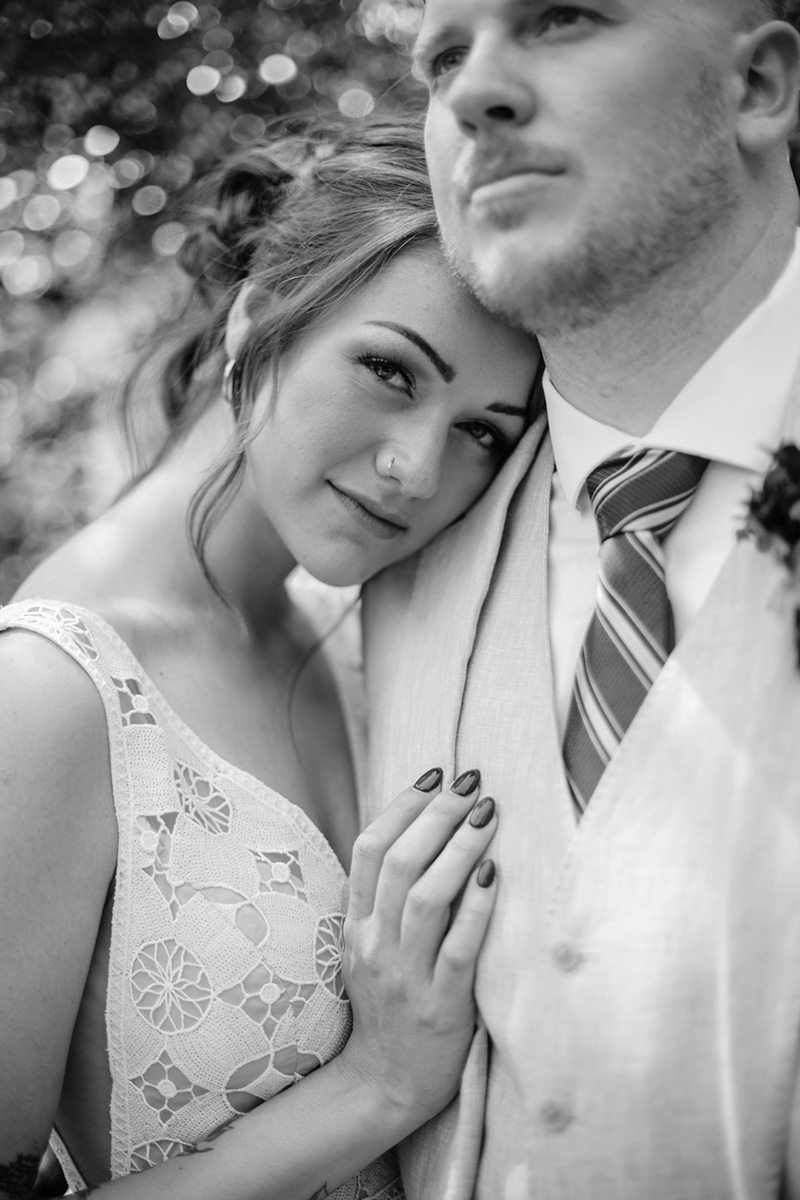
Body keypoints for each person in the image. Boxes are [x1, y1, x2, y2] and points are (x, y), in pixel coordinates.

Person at [0, 117, 541, 1200]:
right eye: (391, 370)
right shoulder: (46, 698)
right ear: (258, 318)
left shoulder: (352, 637)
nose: (414, 467)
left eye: (481, 430)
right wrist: (377, 1085)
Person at [362, 2, 800, 1197]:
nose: (471, 96)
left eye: (559, 21)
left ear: (756, 85)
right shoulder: (388, 556)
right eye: (442, 57)